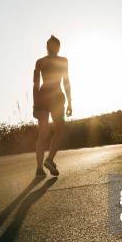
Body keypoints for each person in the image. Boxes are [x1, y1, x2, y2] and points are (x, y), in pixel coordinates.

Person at [33, 35, 72, 177]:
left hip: (45, 96)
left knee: (43, 134)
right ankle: (49, 160)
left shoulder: (40, 62)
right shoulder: (62, 61)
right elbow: (66, 82)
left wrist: (35, 105)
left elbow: (36, 85)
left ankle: (39, 168)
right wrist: (69, 103)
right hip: (55, 95)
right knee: (59, 130)